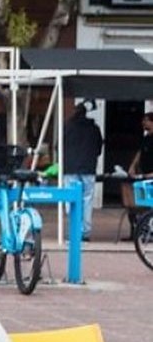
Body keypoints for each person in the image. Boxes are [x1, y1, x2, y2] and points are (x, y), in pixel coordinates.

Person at [62, 102, 103, 242]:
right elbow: (98, 149)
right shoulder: (94, 128)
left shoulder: (66, 127)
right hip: (88, 167)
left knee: (71, 199)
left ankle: (74, 230)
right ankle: (85, 232)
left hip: (70, 168)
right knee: (87, 200)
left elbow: (58, 147)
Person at [124, 111, 153, 238]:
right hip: (144, 176)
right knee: (136, 206)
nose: (143, 122)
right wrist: (132, 166)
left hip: (151, 176)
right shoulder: (146, 138)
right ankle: (138, 231)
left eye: (146, 120)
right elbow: (140, 152)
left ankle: (148, 231)